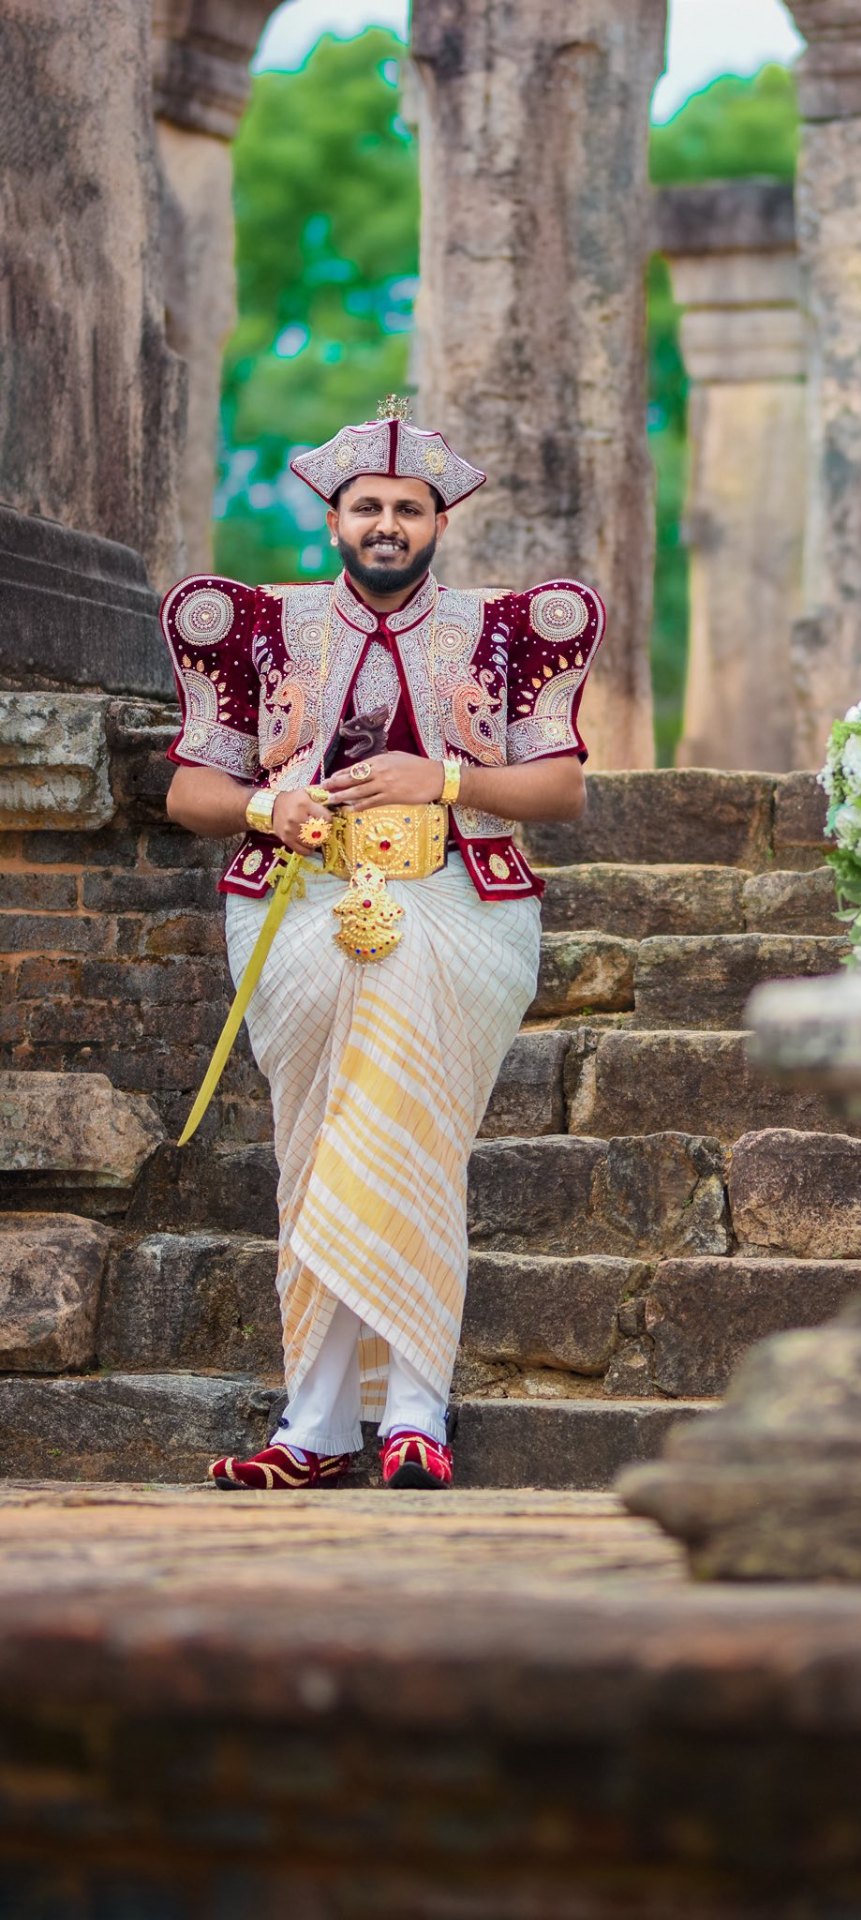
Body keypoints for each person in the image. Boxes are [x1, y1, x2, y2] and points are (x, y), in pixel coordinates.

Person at [162, 399, 604, 1490]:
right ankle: (315, 1425)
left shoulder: (510, 631)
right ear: (335, 521)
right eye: (369, 505)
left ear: (440, 524)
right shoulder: (257, 628)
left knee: (402, 1117)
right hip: (297, 901)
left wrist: (441, 778)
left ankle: (412, 1411)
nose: (388, 523)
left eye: (409, 507)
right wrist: (271, 808)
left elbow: (559, 788)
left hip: (459, 898)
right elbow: (188, 791)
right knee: (315, 1138)